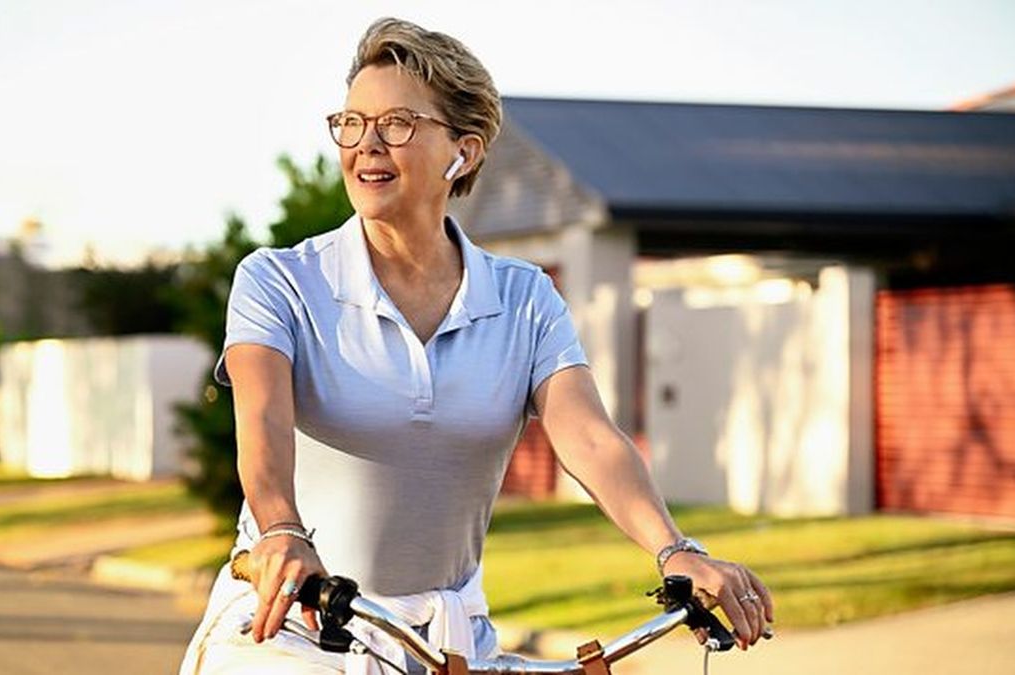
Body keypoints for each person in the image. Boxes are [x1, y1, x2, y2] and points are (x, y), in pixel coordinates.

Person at [180, 17, 773, 675]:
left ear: (461, 153)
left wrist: (675, 550)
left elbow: (592, 439)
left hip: (449, 640)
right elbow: (261, 427)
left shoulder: (523, 297)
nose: (366, 143)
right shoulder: (280, 280)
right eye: (352, 122)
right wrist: (281, 530)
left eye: (397, 123)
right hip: (290, 626)